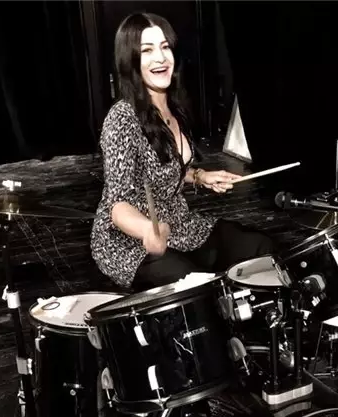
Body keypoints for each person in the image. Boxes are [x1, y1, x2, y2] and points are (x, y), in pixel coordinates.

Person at [90, 12, 276, 292]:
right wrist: (148, 230)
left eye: (165, 47)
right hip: (129, 241)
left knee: (261, 248)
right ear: (130, 60)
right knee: (196, 288)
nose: (160, 58)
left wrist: (199, 176)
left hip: (179, 224)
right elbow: (118, 206)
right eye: (147, 50)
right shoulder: (122, 119)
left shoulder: (174, 107)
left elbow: (166, 166)